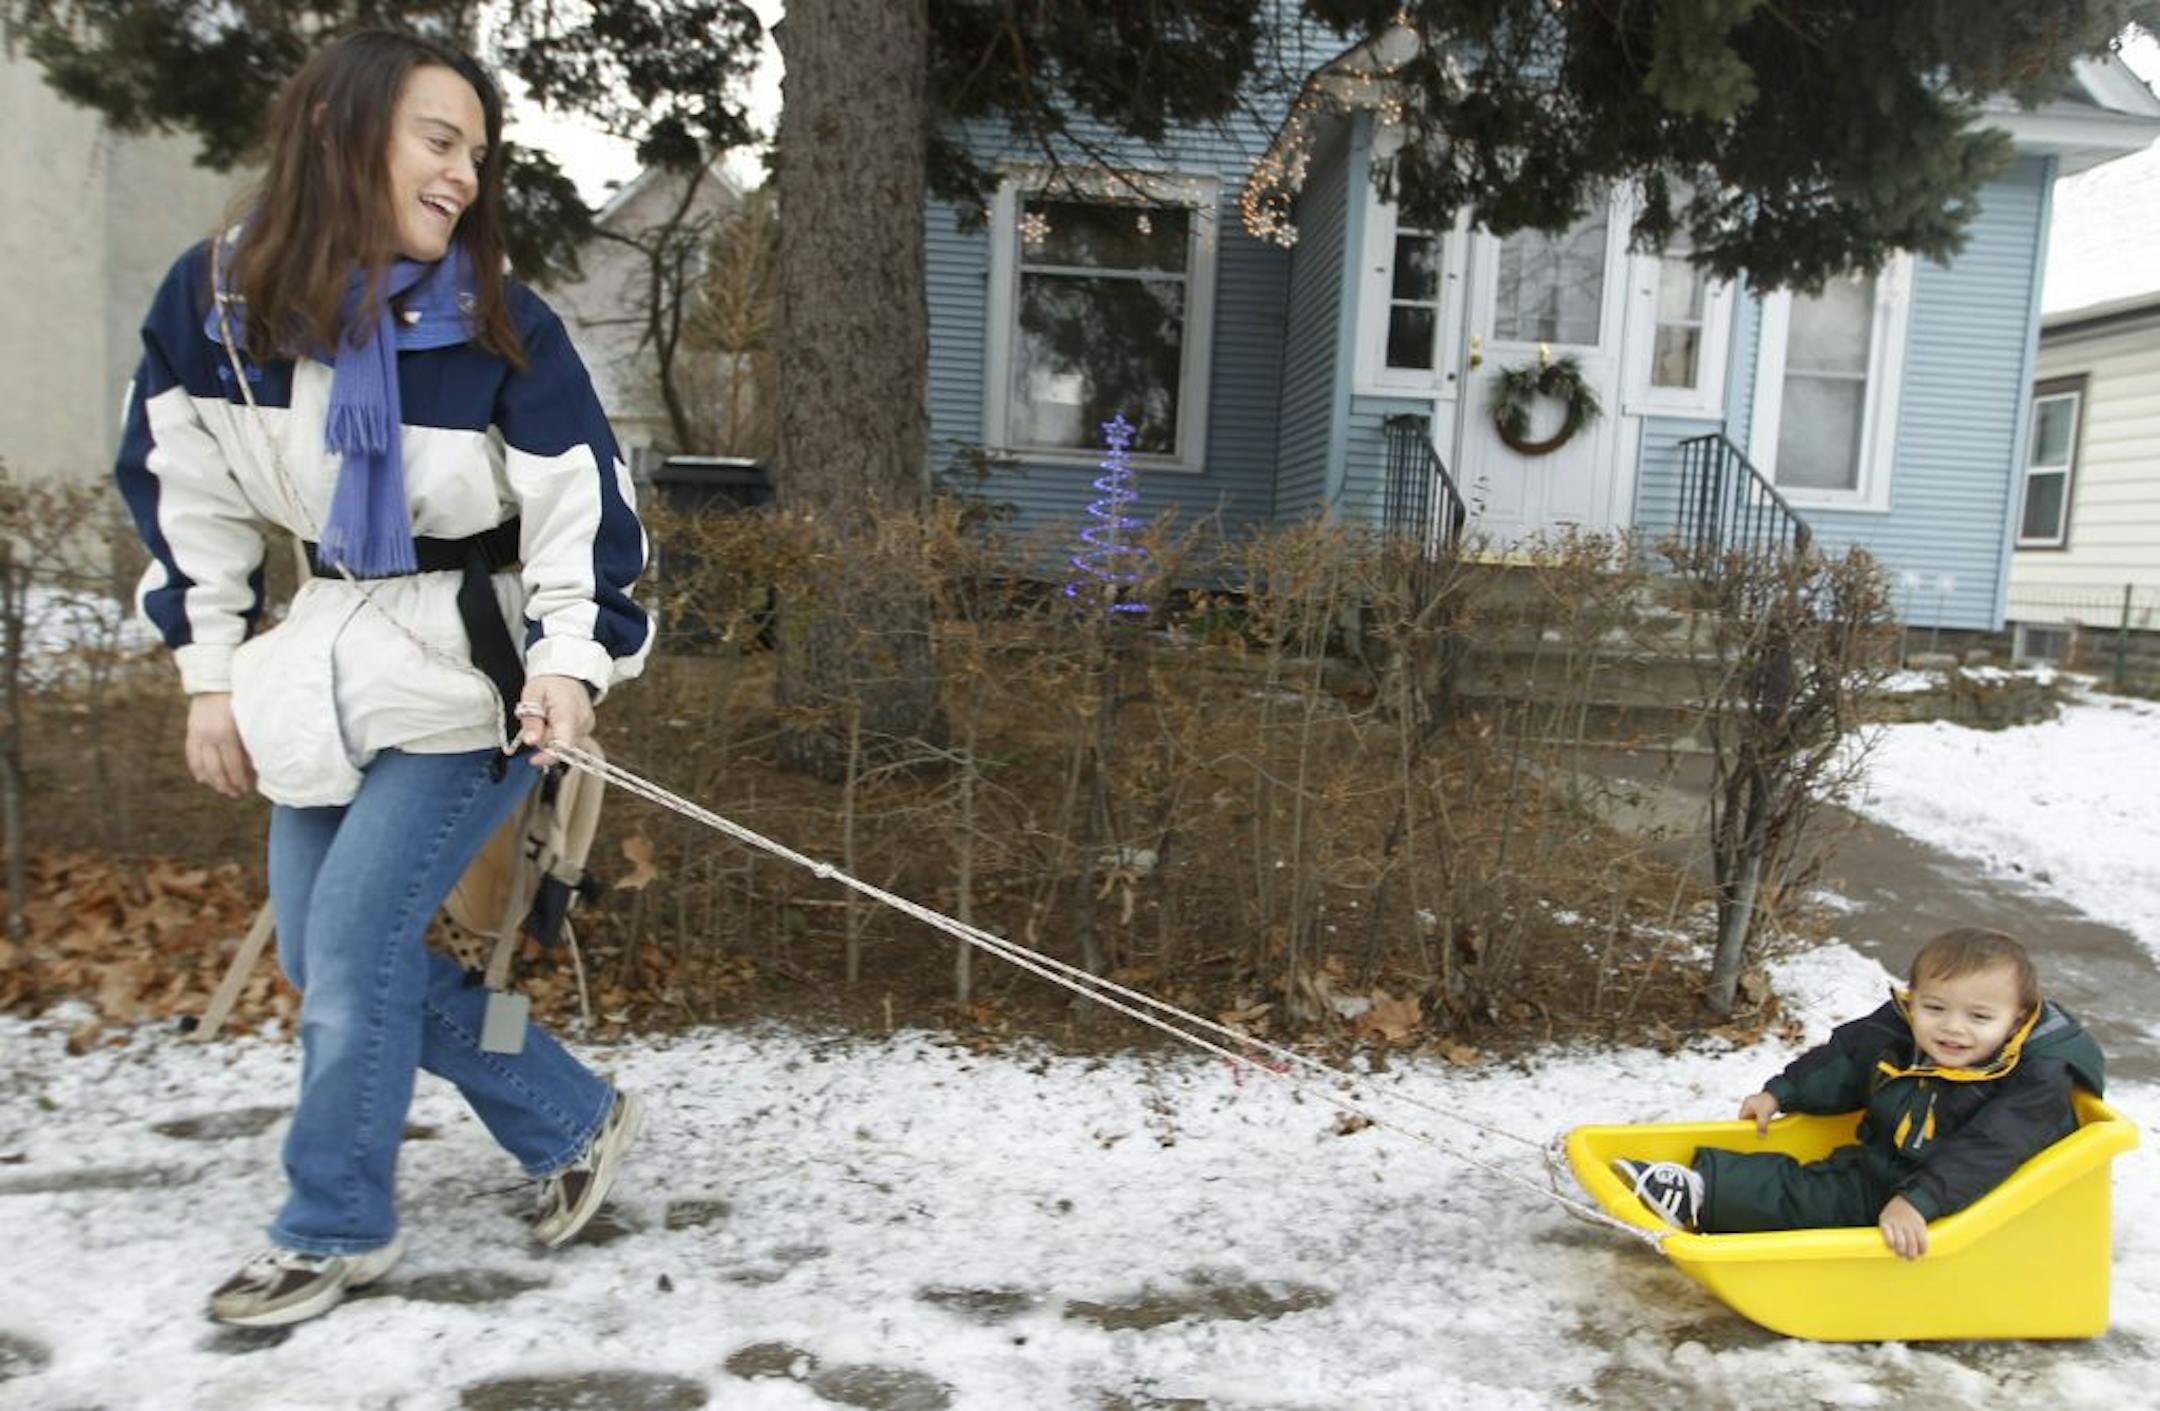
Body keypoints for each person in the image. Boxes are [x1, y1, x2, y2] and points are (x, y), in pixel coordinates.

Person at [113, 28, 651, 1327]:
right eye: (439, 137)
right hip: (324, 666)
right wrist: (209, 675)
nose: (467, 173)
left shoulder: (503, 329)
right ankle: (572, 1108)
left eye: (477, 150)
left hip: (474, 677)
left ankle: (330, 1225)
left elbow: (589, 514)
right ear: (342, 134)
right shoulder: (216, 312)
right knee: (327, 953)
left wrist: (573, 667)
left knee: (353, 950)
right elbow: (184, 496)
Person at [1612, 928, 2104, 1259]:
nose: (1953, 1029)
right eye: (1935, 1008)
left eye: (1979, 1017)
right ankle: (1701, 1188)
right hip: (1889, 1170)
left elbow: (1993, 1148)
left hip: (1968, 1206)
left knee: (1823, 1202)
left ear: (2017, 1019)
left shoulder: (2036, 1080)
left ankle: (1705, 1198)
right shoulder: (1905, 1032)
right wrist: (1783, 1092)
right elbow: (1848, 1059)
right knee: (1820, 1184)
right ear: (1914, 1000)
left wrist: (1921, 1200)